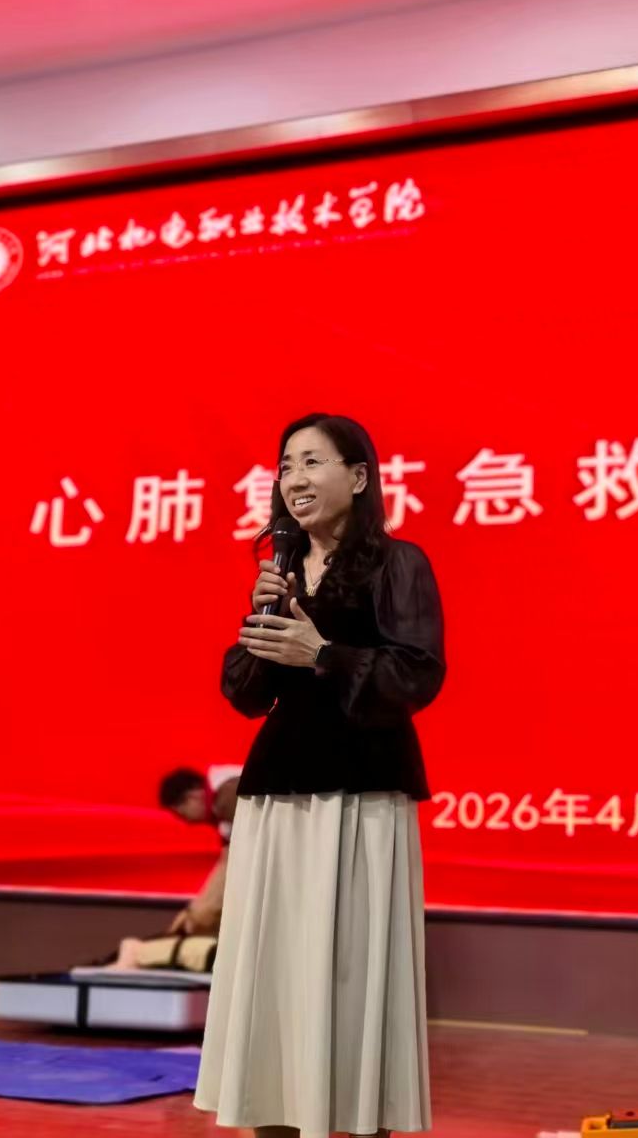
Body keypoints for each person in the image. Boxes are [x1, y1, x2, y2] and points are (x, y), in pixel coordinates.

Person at [194, 413, 444, 1138]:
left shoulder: (399, 563)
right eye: (285, 465)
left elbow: (418, 675)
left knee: (354, 979)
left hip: (361, 798)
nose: (293, 479)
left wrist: (324, 654)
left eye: (311, 461)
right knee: (275, 981)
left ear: (358, 476)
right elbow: (246, 695)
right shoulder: (278, 571)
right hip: (277, 798)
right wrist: (262, 625)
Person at [159, 764, 243, 935]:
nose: (187, 823)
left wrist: (197, 917)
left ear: (193, 797)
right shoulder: (223, 804)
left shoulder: (227, 797)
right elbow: (227, 862)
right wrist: (195, 912)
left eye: (181, 814)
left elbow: (231, 866)